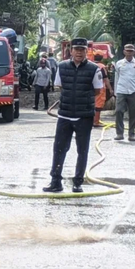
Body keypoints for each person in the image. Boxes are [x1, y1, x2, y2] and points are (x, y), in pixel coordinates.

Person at [43, 38, 103, 193]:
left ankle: (78, 182)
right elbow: (59, 86)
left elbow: (97, 90)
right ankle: (55, 181)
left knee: (82, 150)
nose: (79, 52)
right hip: (65, 115)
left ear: (86, 51)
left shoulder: (94, 69)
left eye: (82, 49)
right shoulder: (61, 67)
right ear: (71, 50)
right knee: (59, 149)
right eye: (76, 49)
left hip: (84, 116)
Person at [93, 53, 114, 127]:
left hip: (90, 88)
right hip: (100, 88)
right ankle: (96, 122)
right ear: (101, 59)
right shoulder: (102, 66)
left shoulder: (90, 65)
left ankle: (91, 121)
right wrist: (110, 89)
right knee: (98, 105)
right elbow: (105, 79)